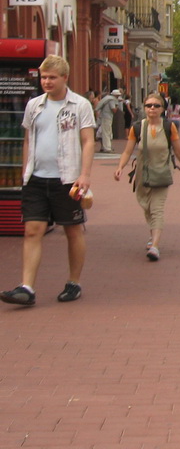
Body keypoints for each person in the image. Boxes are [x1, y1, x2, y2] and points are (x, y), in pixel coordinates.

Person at [1, 55, 96, 307]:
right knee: (32, 231)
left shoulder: (80, 105)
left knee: (72, 230)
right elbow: (27, 139)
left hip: (67, 180)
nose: (46, 82)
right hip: (36, 178)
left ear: (65, 78)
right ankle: (27, 287)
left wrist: (84, 174)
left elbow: (88, 141)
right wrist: (25, 173)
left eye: (52, 77)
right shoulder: (34, 105)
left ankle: (73, 282)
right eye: (43, 77)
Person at [114, 93, 180, 261]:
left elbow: (179, 151)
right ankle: (153, 235)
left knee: (157, 208)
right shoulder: (137, 128)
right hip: (142, 175)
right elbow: (128, 151)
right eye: (149, 105)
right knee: (146, 206)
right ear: (144, 108)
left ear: (162, 109)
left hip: (162, 174)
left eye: (156, 106)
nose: (152, 108)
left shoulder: (168, 127)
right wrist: (120, 167)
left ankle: (155, 246)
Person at [95, 88, 120, 153]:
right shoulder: (112, 100)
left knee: (105, 132)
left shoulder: (107, 98)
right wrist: (117, 106)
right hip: (107, 117)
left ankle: (104, 147)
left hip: (104, 117)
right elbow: (114, 110)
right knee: (107, 133)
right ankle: (107, 148)